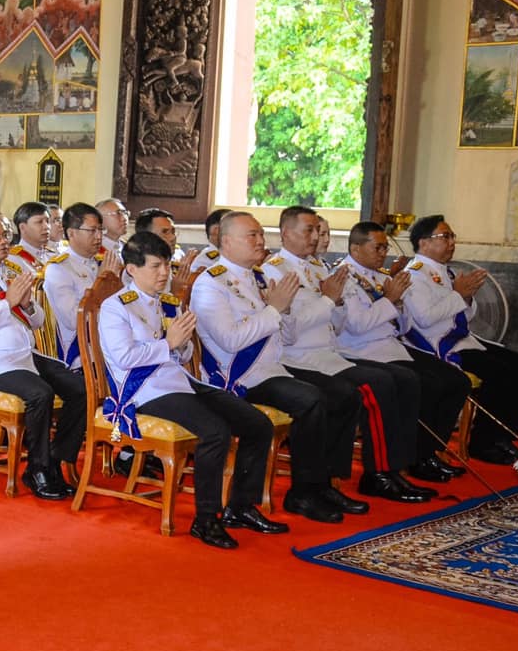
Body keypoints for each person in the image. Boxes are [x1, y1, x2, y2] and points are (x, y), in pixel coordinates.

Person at [99, 232, 287, 548]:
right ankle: (206, 519)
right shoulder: (116, 307)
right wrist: (168, 343)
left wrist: (180, 345)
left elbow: (182, 356)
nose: (164, 274)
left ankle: (240, 507)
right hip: (143, 391)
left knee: (257, 424)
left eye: (167, 266)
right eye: (155, 266)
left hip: (179, 383)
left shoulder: (169, 303)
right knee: (215, 432)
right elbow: (124, 358)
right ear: (131, 269)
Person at [191, 212, 361, 525]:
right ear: (226, 242)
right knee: (311, 399)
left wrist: (281, 311)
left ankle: (323, 483)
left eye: (260, 234)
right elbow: (230, 341)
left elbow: (286, 334)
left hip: (271, 367)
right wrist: (274, 309)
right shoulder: (210, 283)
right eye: (251, 236)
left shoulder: (257, 277)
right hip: (238, 376)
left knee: (342, 393)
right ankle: (302, 493)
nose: (261, 241)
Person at [267, 206, 434, 503]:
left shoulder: (319, 269)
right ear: (286, 233)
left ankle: (393, 469)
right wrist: (329, 301)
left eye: (317, 230)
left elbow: (339, 324)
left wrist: (337, 304)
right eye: (309, 230)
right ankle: (377, 474)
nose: (315, 236)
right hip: (298, 357)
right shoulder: (274, 270)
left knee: (404, 379)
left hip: (329, 354)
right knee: (373, 386)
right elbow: (289, 327)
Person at [0, 211, 86, 498]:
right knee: (40, 394)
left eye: (5, 236)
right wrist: (8, 302)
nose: (3, 242)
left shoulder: (11, 270)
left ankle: (58, 459)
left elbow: (35, 322)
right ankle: (36, 469)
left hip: (24, 354)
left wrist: (27, 305)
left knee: (81, 389)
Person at [401, 216, 518, 465]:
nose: (452, 242)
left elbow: (466, 315)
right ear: (423, 243)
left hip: (462, 338)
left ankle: (503, 437)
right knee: (501, 371)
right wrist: (458, 294)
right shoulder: (414, 275)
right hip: (437, 345)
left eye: (452, 236)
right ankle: (485, 443)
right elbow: (424, 319)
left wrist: (465, 298)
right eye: (445, 237)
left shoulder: (446, 272)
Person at [335, 221, 468, 483]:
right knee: (415, 383)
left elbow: (403, 326)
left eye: (385, 247)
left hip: (390, 346)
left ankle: (426, 452)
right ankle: (396, 466)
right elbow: (356, 325)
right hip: (360, 349)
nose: (383, 253)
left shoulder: (382, 276)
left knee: (454, 380)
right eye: (378, 247)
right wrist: (390, 300)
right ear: (356, 248)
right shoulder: (344, 276)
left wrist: (397, 301)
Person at [42, 202, 110, 368]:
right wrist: (102, 283)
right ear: (71, 233)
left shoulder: (104, 261)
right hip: (84, 353)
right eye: (92, 230)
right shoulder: (59, 269)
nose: (99, 236)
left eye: (101, 230)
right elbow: (74, 320)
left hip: (113, 345)